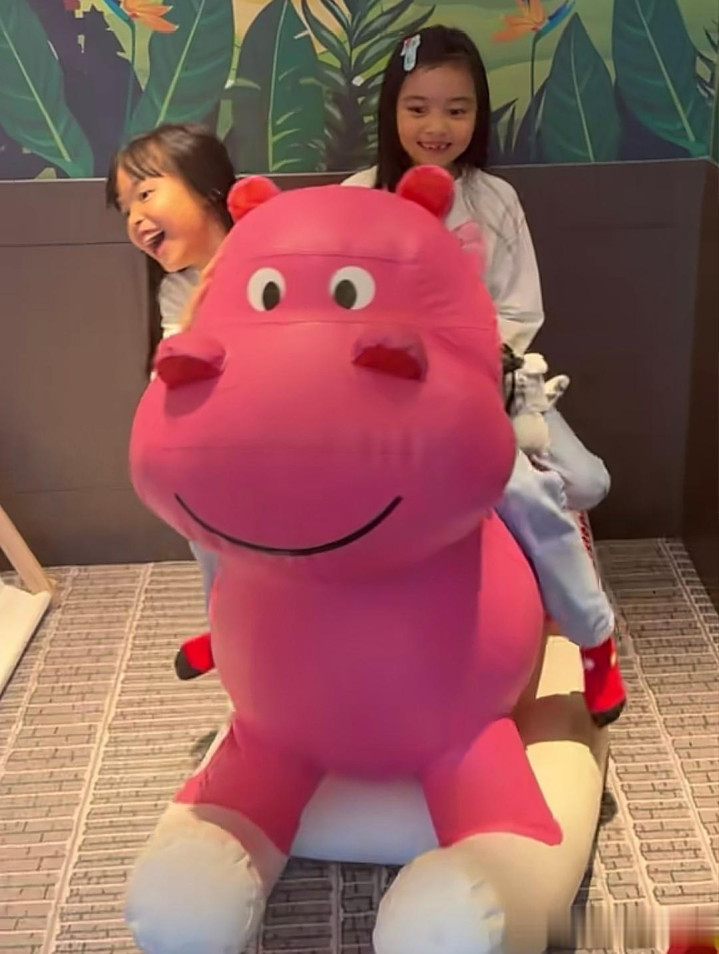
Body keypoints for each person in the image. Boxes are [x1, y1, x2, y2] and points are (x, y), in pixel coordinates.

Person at [342, 25, 625, 726]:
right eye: (417, 108)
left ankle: (533, 560)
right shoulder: (356, 199)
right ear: (390, 109)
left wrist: (469, 358)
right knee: (512, 491)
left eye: (457, 109)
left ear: (478, 114)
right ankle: (586, 635)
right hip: (398, 401)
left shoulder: (495, 201)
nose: (436, 126)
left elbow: (521, 310)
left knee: (586, 482)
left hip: (494, 383)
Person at [106, 123, 236, 674]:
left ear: (207, 187)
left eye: (145, 194)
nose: (135, 218)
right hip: (220, 458)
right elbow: (176, 373)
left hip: (290, 454)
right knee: (207, 537)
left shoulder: (268, 258)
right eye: (124, 208)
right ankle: (228, 633)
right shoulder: (180, 288)